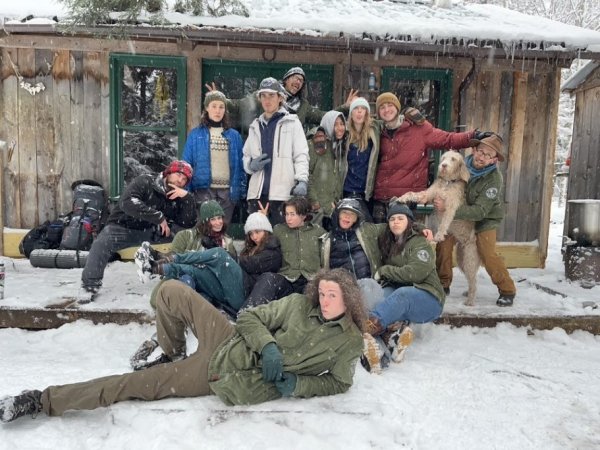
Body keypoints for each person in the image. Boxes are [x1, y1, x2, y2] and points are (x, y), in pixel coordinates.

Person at [0, 269, 366, 423]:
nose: (324, 300)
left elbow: (339, 382)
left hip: (224, 376)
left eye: (332, 296)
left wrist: (299, 384)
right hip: (230, 338)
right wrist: (268, 344)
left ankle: (40, 400)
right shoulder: (299, 304)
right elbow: (251, 318)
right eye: (322, 293)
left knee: (129, 386)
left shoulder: (348, 342)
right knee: (170, 290)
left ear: (348, 300)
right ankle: (171, 348)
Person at [81, 161, 197, 296]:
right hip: (123, 227)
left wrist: (188, 198)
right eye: (178, 175)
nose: (180, 180)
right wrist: (158, 217)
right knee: (102, 242)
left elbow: (187, 223)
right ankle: (90, 286)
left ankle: (183, 277)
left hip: (152, 232)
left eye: (184, 179)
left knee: (187, 236)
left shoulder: (179, 195)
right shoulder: (146, 181)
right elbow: (127, 202)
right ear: (169, 173)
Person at [371, 92, 486, 223]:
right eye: (382, 107)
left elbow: (448, 139)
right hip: (381, 197)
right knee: (379, 235)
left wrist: (473, 136)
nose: (386, 110)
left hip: (406, 198)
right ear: (378, 112)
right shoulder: (377, 131)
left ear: (397, 108)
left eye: (390, 105)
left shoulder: (419, 129)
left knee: (405, 235)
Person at [362, 202, 445, 373]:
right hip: (401, 294)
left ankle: (365, 331)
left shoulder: (419, 242)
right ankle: (389, 343)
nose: (396, 222)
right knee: (380, 300)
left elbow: (416, 273)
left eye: (400, 218)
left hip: (428, 299)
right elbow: (368, 229)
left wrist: (385, 270)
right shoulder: (389, 240)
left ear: (409, 221)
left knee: (402, 295)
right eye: (392, 219)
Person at [434, 134, 516, 307]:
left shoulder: (494, 179)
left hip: (484, 219)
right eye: (481, 151)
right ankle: (443, 283)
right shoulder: (461, 165)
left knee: (486, 251)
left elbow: (480, 212)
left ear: (494, 160)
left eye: (488, 155)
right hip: (459, 216)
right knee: (443, 241)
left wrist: (448, 208)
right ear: (474, 150)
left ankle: (507, 289)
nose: (482, 157)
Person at [142, 199, 237, 309]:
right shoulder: (185, 236)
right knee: (186, 282)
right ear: (205, 221)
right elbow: (173, 260)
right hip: (186, 280)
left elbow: (231, 271)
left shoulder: (227, 242)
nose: (218, 222)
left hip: (211, 286)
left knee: (204, 303)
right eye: (213, 219)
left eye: (219, 218)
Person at [243, 77, 309, 225]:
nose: (267, 100)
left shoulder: (292, 123)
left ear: (280, 98)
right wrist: (250, 165)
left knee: (280, 236)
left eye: (271, 95)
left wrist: (302, 180)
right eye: (263, 96)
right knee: (257, 236)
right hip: (257, 195)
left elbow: (301, 155)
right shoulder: (255, 126)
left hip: (283, 195)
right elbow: (246, 155)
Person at [207, 67, 358, 129]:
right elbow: (238, 105)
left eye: (301, 81)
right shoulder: (265, 94)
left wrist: (345, 108)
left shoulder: (303, 106)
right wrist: (218, 98)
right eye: (295, 78)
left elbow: (324, 117)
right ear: (286, 79)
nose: (298, 82)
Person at [246, 197, 325, 305]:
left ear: (303, 215)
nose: (288, 218)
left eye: (292, 214)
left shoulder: (318, 231)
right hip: (286, 281)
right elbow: (262, 238)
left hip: (311, 282)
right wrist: (263, 220)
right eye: (286, 214)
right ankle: (248, 311)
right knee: (268, 278)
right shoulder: (278, 230)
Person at [182, 90, 246, 224]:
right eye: (214, 106)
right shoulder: (195, 135)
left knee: (222, 228)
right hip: (203, 190)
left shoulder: (234, 136)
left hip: (228, 192)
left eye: (221, 107)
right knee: (205, 228)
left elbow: (241, 166)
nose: (218, 111)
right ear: (207, 108)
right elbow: (186, 165)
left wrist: (240, 189)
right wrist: (186, 190)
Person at [321, 198, 382, 280]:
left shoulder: (367, 230)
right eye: (344, 212)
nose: (347, 216)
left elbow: (391, 226)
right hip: (342, 285)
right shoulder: (326, 240)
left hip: (368, 282)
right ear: (337, 215)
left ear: (356, 219)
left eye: (352, 214)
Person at [343, 97, 382, 222]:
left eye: (363, 109)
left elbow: (392, 122)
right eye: (356, 108)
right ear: (351, 113)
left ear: (367, 113)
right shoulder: (344, 133)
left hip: (366, 191)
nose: (359, 112)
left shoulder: (375, 131)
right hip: (346, 189)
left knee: (365, 224)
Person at [307, 110, 348, 230]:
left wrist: (336, 200)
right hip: (317, 210)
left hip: (332, 208)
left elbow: (336, 177)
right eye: (335, 124)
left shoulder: (340, 146)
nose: (340, 128)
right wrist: (314, 201)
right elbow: (307, 173)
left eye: (342, 124)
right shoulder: (317, 143)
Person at [237, 212, 283, 311]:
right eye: (251, 234)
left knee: (220, 255)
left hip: (259, 293)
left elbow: (252, 264)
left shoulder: (272, 248)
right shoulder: (250, 248)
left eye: (257, 232)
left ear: (266, 231)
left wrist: (237, 260)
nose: (254, 237)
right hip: (246, 289)